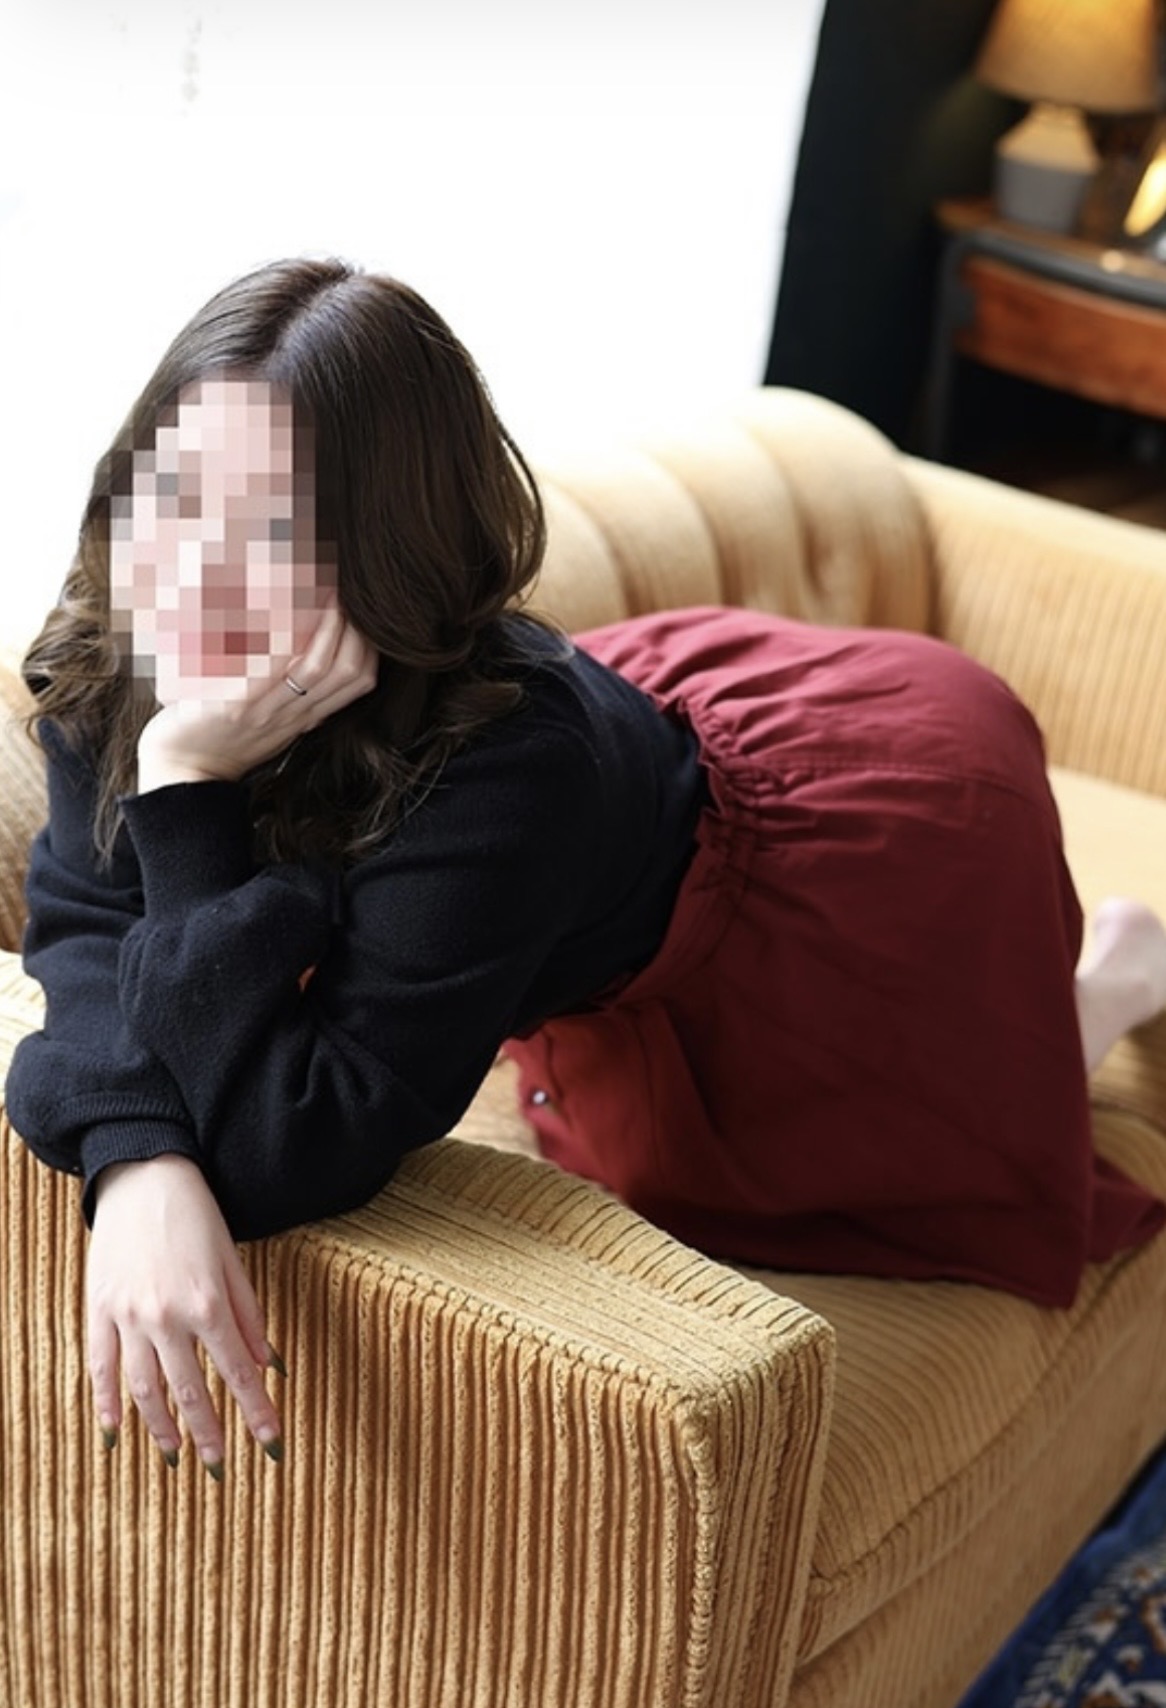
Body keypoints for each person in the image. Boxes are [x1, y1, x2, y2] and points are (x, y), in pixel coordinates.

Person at [8, 258, 1166, 1484]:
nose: (194, 570)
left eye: (273, 534)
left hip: (837, 863)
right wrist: (135, 1161)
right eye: (175, 493)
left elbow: (295, 1151)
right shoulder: (120, 638)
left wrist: (186, 786)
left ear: (385, 556)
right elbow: (80, 929)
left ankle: (1105, 986)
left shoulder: (502, 770)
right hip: (634, 781)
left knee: (948, 1143)